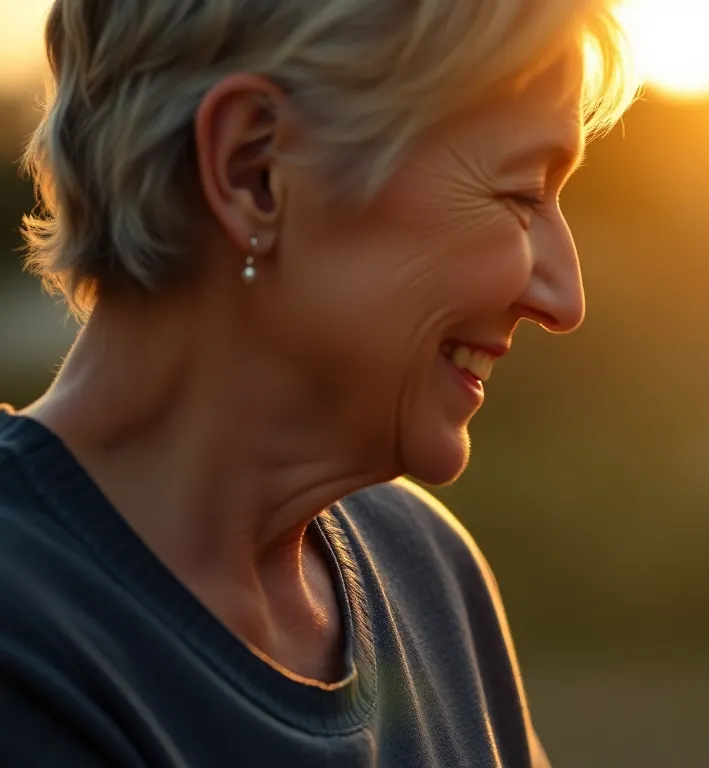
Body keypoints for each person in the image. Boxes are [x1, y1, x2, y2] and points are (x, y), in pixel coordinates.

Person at [0, 0, 637, 765]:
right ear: (254, 168)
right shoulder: (26, 647)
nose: (565, 300)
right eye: (519, 193)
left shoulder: (426, 569)